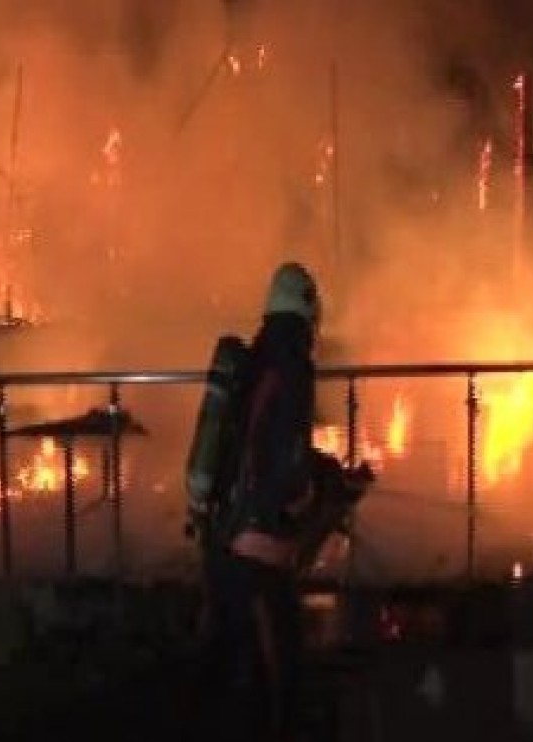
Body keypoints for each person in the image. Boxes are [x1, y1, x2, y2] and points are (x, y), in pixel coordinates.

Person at [209, 261, 321, 741]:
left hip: (230, 543)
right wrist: (305, 495)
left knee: (241, 678)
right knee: (276, 686)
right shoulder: (291, 365)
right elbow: (286, 459)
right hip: (262, 555)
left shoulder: (255, 359)